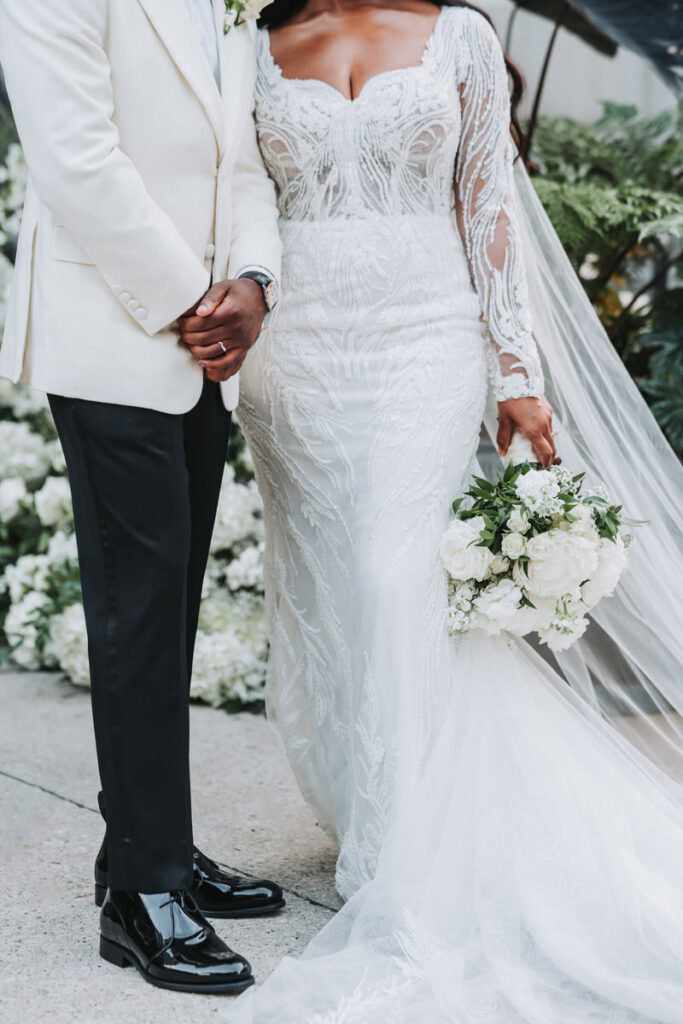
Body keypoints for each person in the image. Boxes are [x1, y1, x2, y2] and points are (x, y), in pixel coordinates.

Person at [183, 1, 683, 1019]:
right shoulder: (251, 40)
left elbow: (487, 200)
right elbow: (231, 191)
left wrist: (514, 369)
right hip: (299, 357)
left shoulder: (453, 33)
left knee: (391, 574)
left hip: (425, 337)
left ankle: (420, 849)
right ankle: (370, 813)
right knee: (325, 586)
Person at [0, 0, 285, 994]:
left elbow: (238, 158)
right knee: (139, 606)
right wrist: (191, 304)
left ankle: (148, 845)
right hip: (115, 330)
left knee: (170, 604)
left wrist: (250, 279)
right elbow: (76, 160)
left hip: (204, 341)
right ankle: (143, 895)